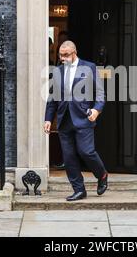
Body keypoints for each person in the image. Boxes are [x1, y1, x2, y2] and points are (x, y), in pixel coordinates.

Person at [44, 41, 108, 201]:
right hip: (64, 119)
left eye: (65, 55)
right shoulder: (57, 71)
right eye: (60, 55)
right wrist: (48, 119)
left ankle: (102, 174)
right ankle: (79, 189)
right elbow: (52, 98)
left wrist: (96, 110)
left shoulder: (89, 67)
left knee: (86, 151)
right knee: (69, 156)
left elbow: (100, 94)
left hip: (84, 117)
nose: (62, 58)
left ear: (74, 53)